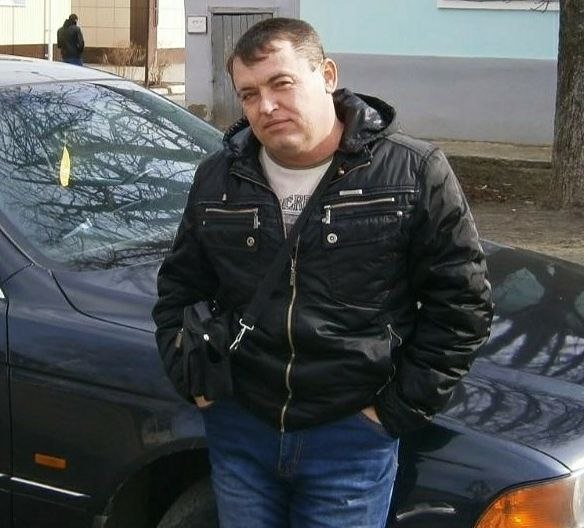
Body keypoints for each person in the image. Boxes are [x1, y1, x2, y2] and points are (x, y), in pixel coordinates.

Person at [153, 17, 493, 528]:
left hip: (350, 438)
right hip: (241, 427)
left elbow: (462, 305)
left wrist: (393, 412)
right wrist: (192, 381)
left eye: (281, 83)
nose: (266, 106)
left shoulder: (412, 171)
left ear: (327, 75)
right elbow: (178, 289)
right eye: (249, 94)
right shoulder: (219, 177)